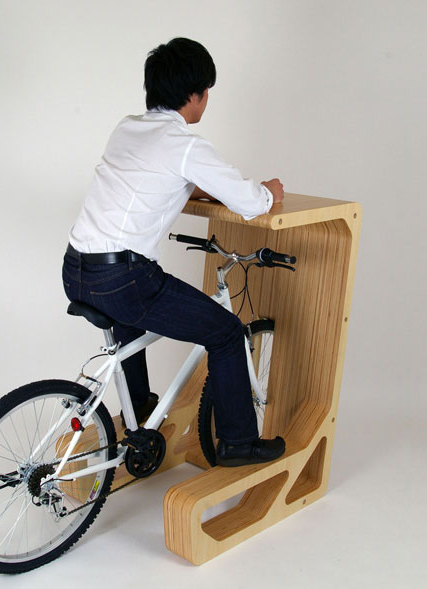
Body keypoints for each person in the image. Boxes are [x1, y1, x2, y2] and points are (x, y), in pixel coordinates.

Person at [62, 38, 285, 467]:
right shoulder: (184, 145)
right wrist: (269, 192)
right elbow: (251, 202)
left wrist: (203, 187)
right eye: (207, 91)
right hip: (122, 279)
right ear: (194, 95)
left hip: (76, 269)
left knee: (128, 320)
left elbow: (154, 177)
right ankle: (239, 442)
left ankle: (139, 410)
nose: (207, 100)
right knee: (226, 333)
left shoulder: (127, 128)